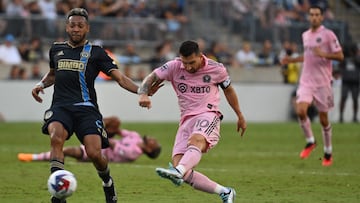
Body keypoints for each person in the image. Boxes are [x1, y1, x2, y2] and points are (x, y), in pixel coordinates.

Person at [31, 8, 160, 203]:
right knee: (56, 139)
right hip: (60, 107)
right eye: (72, 25)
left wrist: (141, 91)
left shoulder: (97, 53)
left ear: (87, 28)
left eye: (80, 26)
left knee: (94, 153)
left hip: (86, 109)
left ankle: (107, 181)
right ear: (67, 27)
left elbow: (120, 78)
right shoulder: (56, 49)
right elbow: (52, 74)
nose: (76, 29)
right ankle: (57, 194)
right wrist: (41, 85)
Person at [138, 40, 247, 203]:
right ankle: (225, 192)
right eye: (184, 62)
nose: (187, 67)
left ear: (200, 56)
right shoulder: (174, 66)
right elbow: (151, 77)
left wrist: (240, 115)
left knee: (195, 142)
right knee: (182, 168)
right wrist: (143, 94)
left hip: (208, 114)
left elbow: (229, 90)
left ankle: (179, 171)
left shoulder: (217, 69)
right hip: (186, 120)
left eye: (191, 63)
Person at [281, 5, 344, 167]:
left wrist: (324, 54)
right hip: (306, 82)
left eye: (317, 15)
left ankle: (328, 152)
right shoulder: (305, 35)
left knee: (324, 120)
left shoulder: (328, 35)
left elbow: (340, 56)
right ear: (309, 17)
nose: (314, 17)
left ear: (322, 17)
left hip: (323, 83)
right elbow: (308, 56)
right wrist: (292, 60)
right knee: (301, 110)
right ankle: (310, 141)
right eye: (312, 14)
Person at [17, 116, 161, 163]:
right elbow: (118, 131)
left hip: (99, 153)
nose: (153, 139)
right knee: (113, 120)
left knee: (67, 150)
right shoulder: (135, 136)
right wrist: (108, 124)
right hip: (102, 142)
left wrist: (99, 131)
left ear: (149, 149)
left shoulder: (133, 153)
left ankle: (33, 157)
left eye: (154, 143)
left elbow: (111, 144)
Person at [338, 43, 360, 123]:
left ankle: (354, 117)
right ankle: (341, 116)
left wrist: (355, 57)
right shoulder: (344, 58)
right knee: (343, 98)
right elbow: (340, 66)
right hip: (346, 81)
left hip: (355, 81)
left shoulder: (357, 58)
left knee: (355, 99)